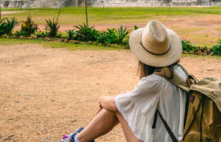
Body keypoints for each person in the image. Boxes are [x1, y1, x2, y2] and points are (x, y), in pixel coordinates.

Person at [60, 20, 188, 142]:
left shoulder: (155, 81)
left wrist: (101, 99)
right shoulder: (178, 72)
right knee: (122, 102)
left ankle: (76, 139)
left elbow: (117, 105)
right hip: (176, 136)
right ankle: (78, 139)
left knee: (119, 107)